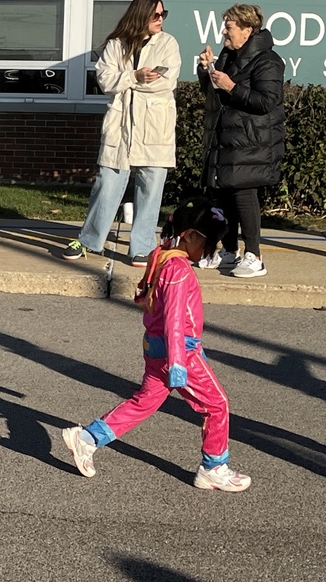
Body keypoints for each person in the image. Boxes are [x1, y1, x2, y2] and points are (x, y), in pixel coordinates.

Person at [62, 198, 251, 492]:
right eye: (208, 243)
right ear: (189, 236)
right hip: (180, 351)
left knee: (145, 402)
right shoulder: (179, 270)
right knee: (217, 405)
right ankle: (214, 467)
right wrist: (178, 362)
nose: (209, 251)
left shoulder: (161, 257)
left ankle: (87, 438)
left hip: (155, 347)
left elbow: (147, 299)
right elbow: (175, 318)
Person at [62, 0, 180, 267]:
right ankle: (90, 240)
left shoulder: (168, 44)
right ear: (141, 15)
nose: (160, 19)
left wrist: (126, 81)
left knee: (150, 187)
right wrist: (134, 77)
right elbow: (105, 80)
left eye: (163, 14)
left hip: (154, 124)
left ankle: (142, 246)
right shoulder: (116, 45)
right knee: (108, 181)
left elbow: (166, 82)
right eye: (155, 14)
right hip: (121, 123)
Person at [197, 3, 285, 279]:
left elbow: (267, 101)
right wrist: (207, 69)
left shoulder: (268, 60)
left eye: (230, 26)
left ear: (248, 30)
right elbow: (215, 92)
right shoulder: (228, 54)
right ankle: (229, 250)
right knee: (223, 193)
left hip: (251, 140)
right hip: (227, 138)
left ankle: (255, 256)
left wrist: (232, 87)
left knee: (244, 194)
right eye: (225, 25)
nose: (224, 31)